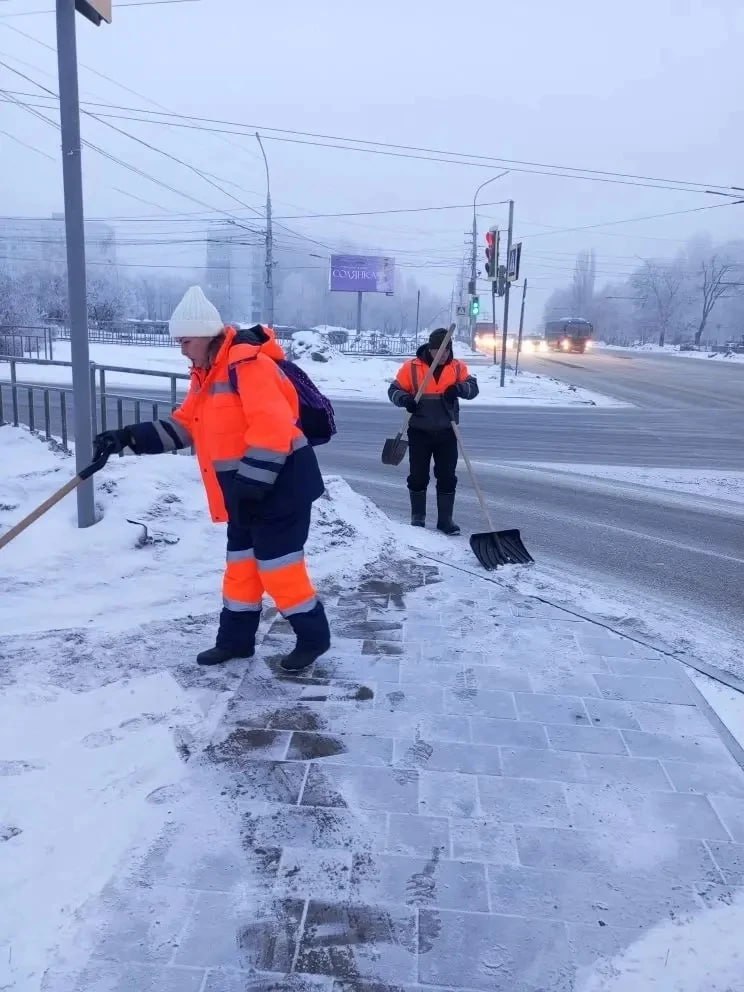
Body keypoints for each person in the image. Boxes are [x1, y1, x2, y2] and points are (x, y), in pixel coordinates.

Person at [92, 286, 330, 672]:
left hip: (280, 486)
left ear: (206, 335)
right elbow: (185, 425)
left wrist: (252, 483)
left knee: (277, 567)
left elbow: (272, 428)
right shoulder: (207, 373)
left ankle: (313, 636)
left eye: (185, 341)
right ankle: (235, 642)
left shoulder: (249, 365)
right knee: (241, 569)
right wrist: (127, 438)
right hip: (244, 491)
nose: (182, 350)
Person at [388, 328, 479, 534]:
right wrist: (405, 400)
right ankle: (418, 517)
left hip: (448, 431)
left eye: (446, 350)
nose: (442, 355)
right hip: (419, 431)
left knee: (447, 476)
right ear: (430, 348)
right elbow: (393, 390)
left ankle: (445, 520)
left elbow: (473, 388)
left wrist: (459, 389)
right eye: (438, 350)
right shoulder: (412, 367)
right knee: (418, 475)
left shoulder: (457, 368)